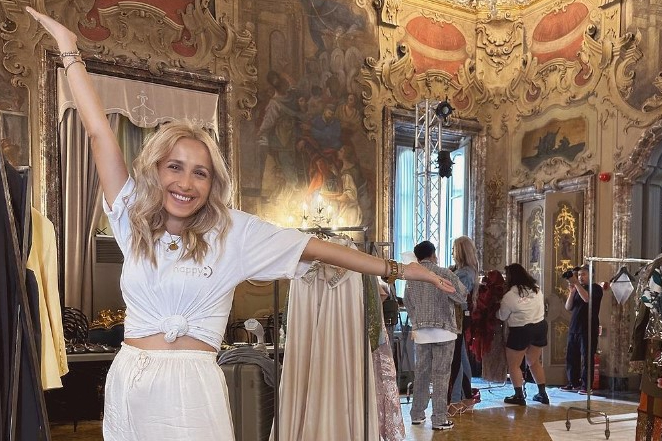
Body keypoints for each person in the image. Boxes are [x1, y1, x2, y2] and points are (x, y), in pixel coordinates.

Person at [25, 8, 458, 441]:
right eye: (175, 167)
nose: (185, 183)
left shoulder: (233, 232)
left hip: (191, 393)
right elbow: (99, 133)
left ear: (213, 183)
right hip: (128, 383)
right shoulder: (132, 219)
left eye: (200, 173)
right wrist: (69, 51)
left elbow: (317, 247)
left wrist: (400, 270)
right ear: (156, 170)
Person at [404, 241, 467, 431]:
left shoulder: (412, 275)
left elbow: (407, 301)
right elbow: (462, 295)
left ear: (417, 257)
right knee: (441, 375)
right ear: (433, 254)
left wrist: (416, 321)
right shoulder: (443, 273)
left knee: (421, 373)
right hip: (444, 330)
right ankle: (439, 419)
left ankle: (417, 414)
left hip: (421, 331)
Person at [497, 263, 549, 405]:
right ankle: (543, 394)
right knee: (534, 362)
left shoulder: (510, 296)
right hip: (540, 327)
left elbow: (502, 316)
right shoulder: (536, 289)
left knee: (514, 365)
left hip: (521, 330)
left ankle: (519, 395)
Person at [447, 236, 480, 414]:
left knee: (457, 359)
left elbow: (457, 297)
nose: (452, 252)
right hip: (458, 316)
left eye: (454, 249)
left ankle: (457, 398)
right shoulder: (461, 271)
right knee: (461, 357)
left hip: (458, 316)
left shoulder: (465, 273)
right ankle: (465, 395)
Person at [561, 264, 603, 394]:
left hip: (588, 328)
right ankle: (573, 382)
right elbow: (568, 307)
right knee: (571, 357)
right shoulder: (578, 288)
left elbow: (587, 299)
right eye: (579, 275)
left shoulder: (596, 288)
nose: (580, 277)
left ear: (591, 275)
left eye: (583, 274)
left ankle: (586, 386)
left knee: (587, 357)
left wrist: (577, 285)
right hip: (574, 327)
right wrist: (572, 291)